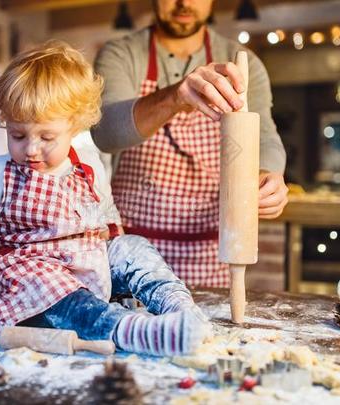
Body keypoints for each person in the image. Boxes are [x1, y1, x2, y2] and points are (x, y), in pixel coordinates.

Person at [0, 42, 210, 357]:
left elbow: (106, 212)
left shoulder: (88, 162)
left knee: (132, 246)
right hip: (29, 277)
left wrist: (114, 244)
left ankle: (179, 308)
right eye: (18, 135)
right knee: (44, 280)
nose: (31, 149)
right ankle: (133, 331)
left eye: (46, 137)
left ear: (74, 125)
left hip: (87, 265)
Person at [92, 0, 288, 287]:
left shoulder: (243, 62)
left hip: (210, 256)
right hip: (133, 254)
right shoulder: (121, 54)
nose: (184, 2)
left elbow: (265, 138)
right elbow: (106, 133)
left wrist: (265, 174)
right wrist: (174, 97)